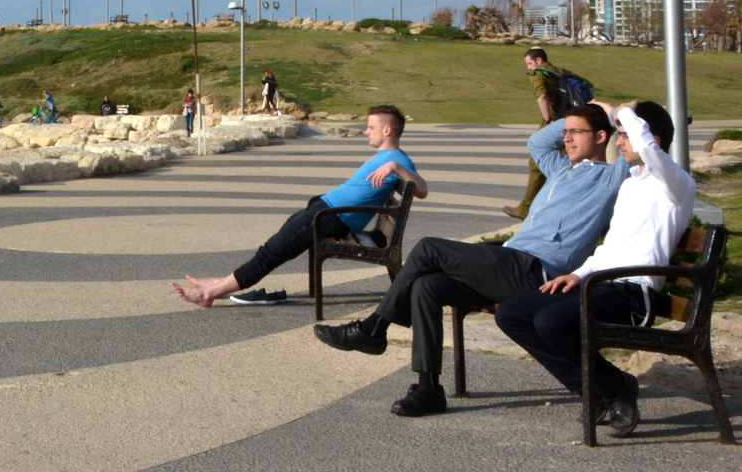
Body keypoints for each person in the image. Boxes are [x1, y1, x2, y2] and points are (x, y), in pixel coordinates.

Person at [315, 103, 627, 418]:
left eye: (576, 132)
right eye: (566, 131)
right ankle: (428, 389)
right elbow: (537, 142)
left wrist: (614, 113)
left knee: (427, 248)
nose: (567, 138)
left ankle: (373, 328)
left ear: (601, 136)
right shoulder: (561, 168)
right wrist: (574, 119)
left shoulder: (611, 178)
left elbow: (641, 147)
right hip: (508, 262)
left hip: (536, 271)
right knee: (428, 285)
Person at [494, 101, 692, 438]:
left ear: (652, 140)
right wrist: (578, 274)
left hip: (633, 294)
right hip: (600, 283)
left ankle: (613, 387)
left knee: (551, 322)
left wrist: (621, 111)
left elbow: (647, 146)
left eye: (626, 136)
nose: (619, 142)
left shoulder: (676, 184)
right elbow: (610, 248)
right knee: (512, 314)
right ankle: (602, 388)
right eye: (619, 135)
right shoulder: (632, 182)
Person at [173, 105, 426, 307]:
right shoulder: (384, 155)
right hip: (325, 210)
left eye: (371, 127)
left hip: (332, 218)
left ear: (388, 131)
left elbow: (422, 190)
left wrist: (397, 168)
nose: (366, 131)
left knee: (273, 252)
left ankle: (211, 292)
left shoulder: (397, 159)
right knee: (273, 246)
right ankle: (218, 284)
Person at [505, 47, 571, 218]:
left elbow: (541, 97)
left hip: (555, 122)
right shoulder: (562, 72)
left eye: (529, 63)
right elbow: (590, 87)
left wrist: (548, 119)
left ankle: (526, 209)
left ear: (539, 61)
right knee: (570, 164)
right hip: (573, 121)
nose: (528, 67)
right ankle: (566, 207)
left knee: (537, 163)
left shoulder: (539, 74)